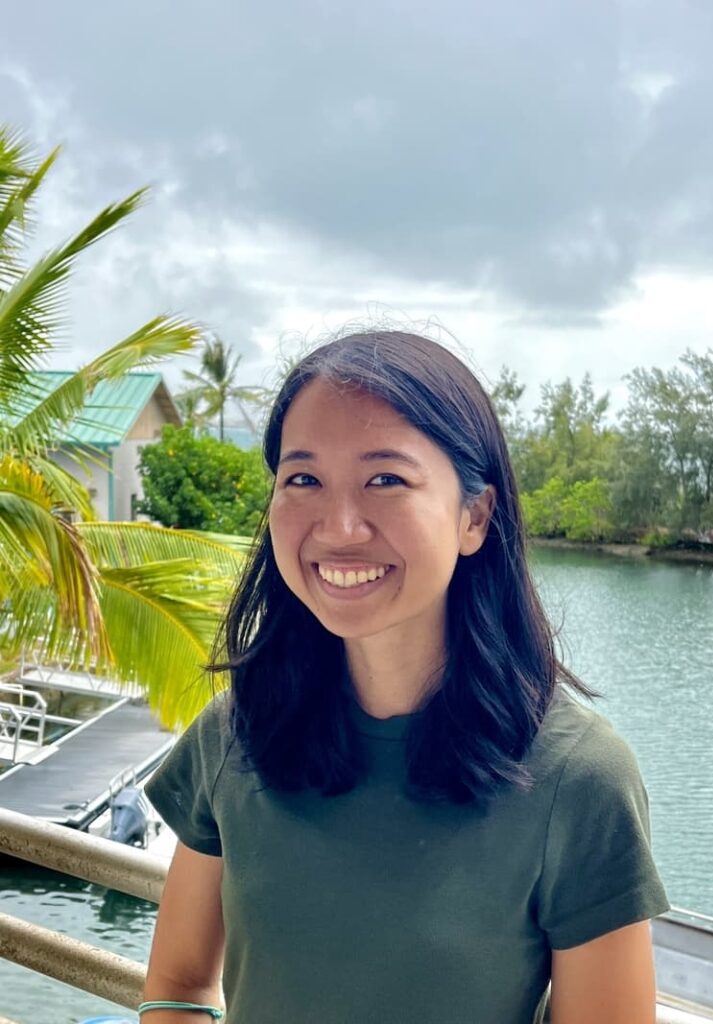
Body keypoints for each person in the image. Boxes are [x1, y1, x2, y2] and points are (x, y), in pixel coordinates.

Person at [141, 330, 669, 1024]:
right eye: (303, 479)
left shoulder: (580, 780)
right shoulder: (238, 733)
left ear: (474, 516)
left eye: (385, 479)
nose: (340, 526)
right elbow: (178, 984)